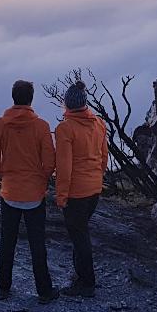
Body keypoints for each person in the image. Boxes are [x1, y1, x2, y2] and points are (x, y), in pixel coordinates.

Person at [0, 79, 59, 303]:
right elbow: (49, 162)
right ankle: (44, 292)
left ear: (13, 97)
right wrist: (40, 179)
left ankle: (3, 288)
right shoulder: (42, 126)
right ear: (31, 99)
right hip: (34, 194)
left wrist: (6, 175)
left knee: (7, 242)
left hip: (9, 193)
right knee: (37, 244)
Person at [53, 81, 108, 298]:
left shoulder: (65, 129)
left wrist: (61, 196)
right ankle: (80, 275)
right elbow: (104, 157)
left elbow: (64, 167)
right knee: (81, 232)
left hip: (76, 192)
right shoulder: (99, 123)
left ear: (66, 104)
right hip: (94, 189)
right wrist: (97, 178)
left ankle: (86, 283)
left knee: (79, 236)